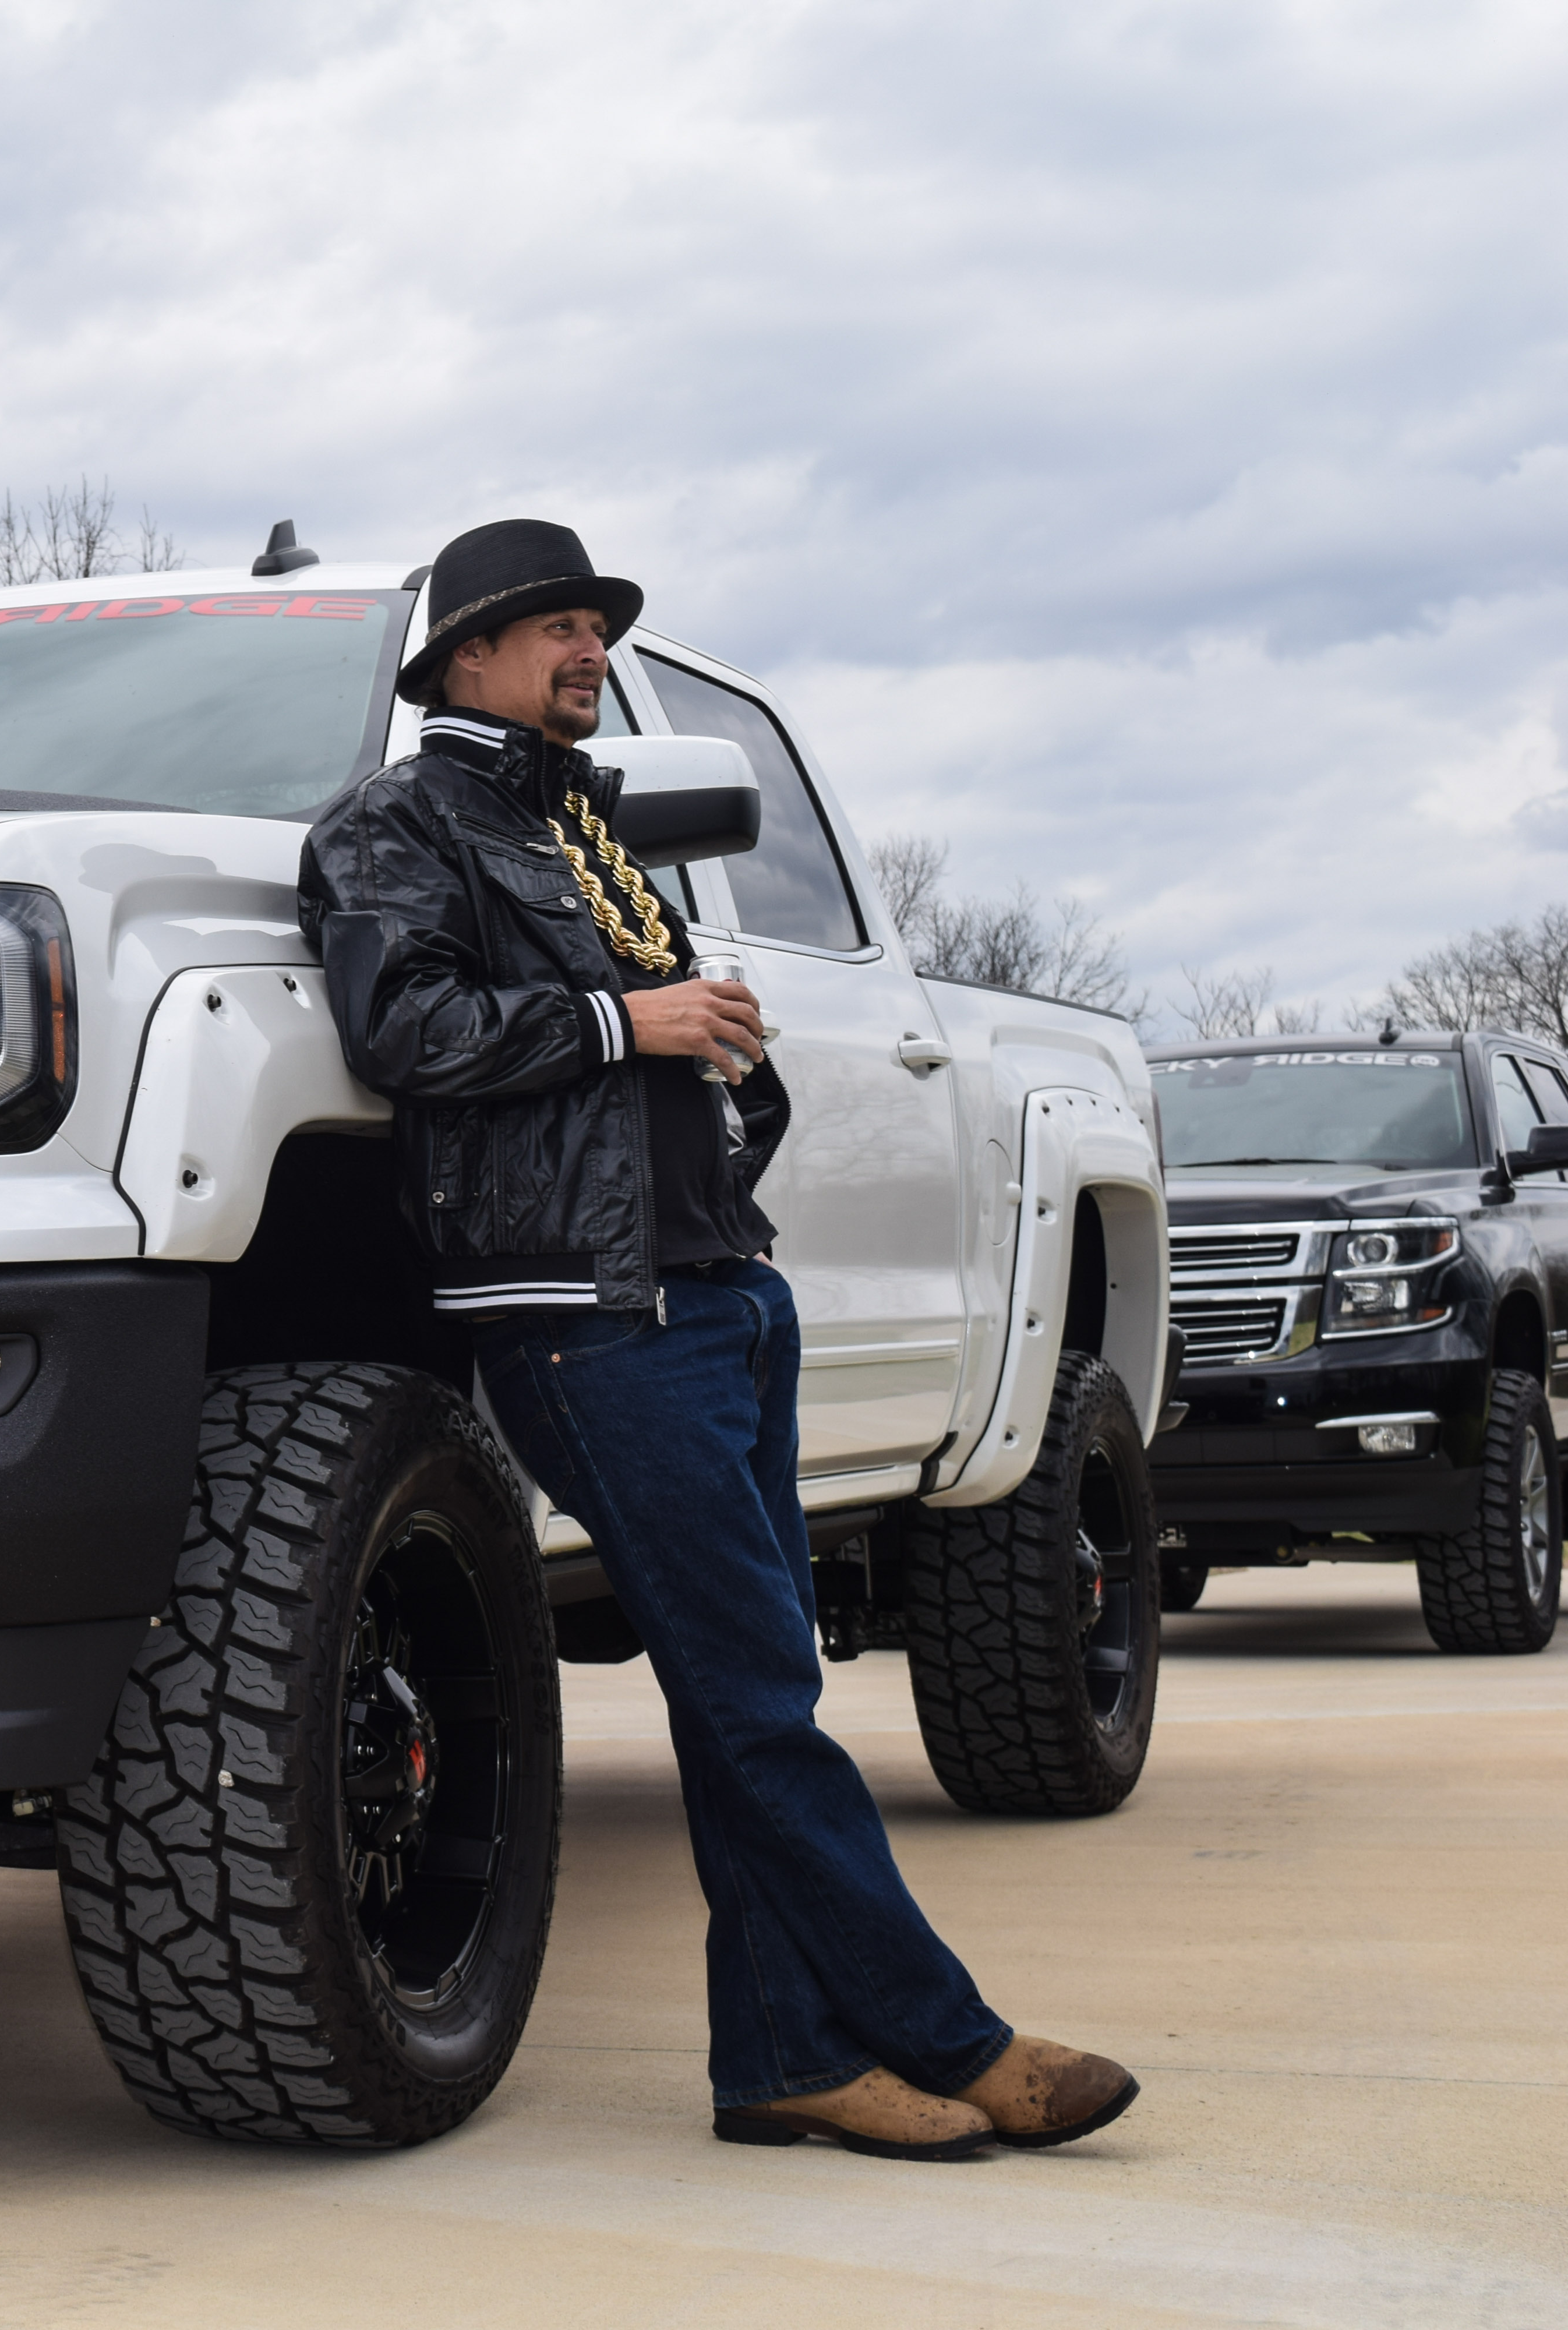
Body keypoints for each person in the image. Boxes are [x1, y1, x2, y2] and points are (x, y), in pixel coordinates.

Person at [299, 519, 1138, 2162]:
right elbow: (400, 1029)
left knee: (743, 1694)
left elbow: (642, 1044)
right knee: (760, 1698)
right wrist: (634, 1019)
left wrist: (716, 1076)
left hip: (717, 1289)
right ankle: (950, 2036)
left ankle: (781, 2062)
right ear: (462, 657)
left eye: (593, 625)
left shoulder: (582, 824)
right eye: (548, 626)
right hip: (583, 1312)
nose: (584, 649)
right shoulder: (396, 824)